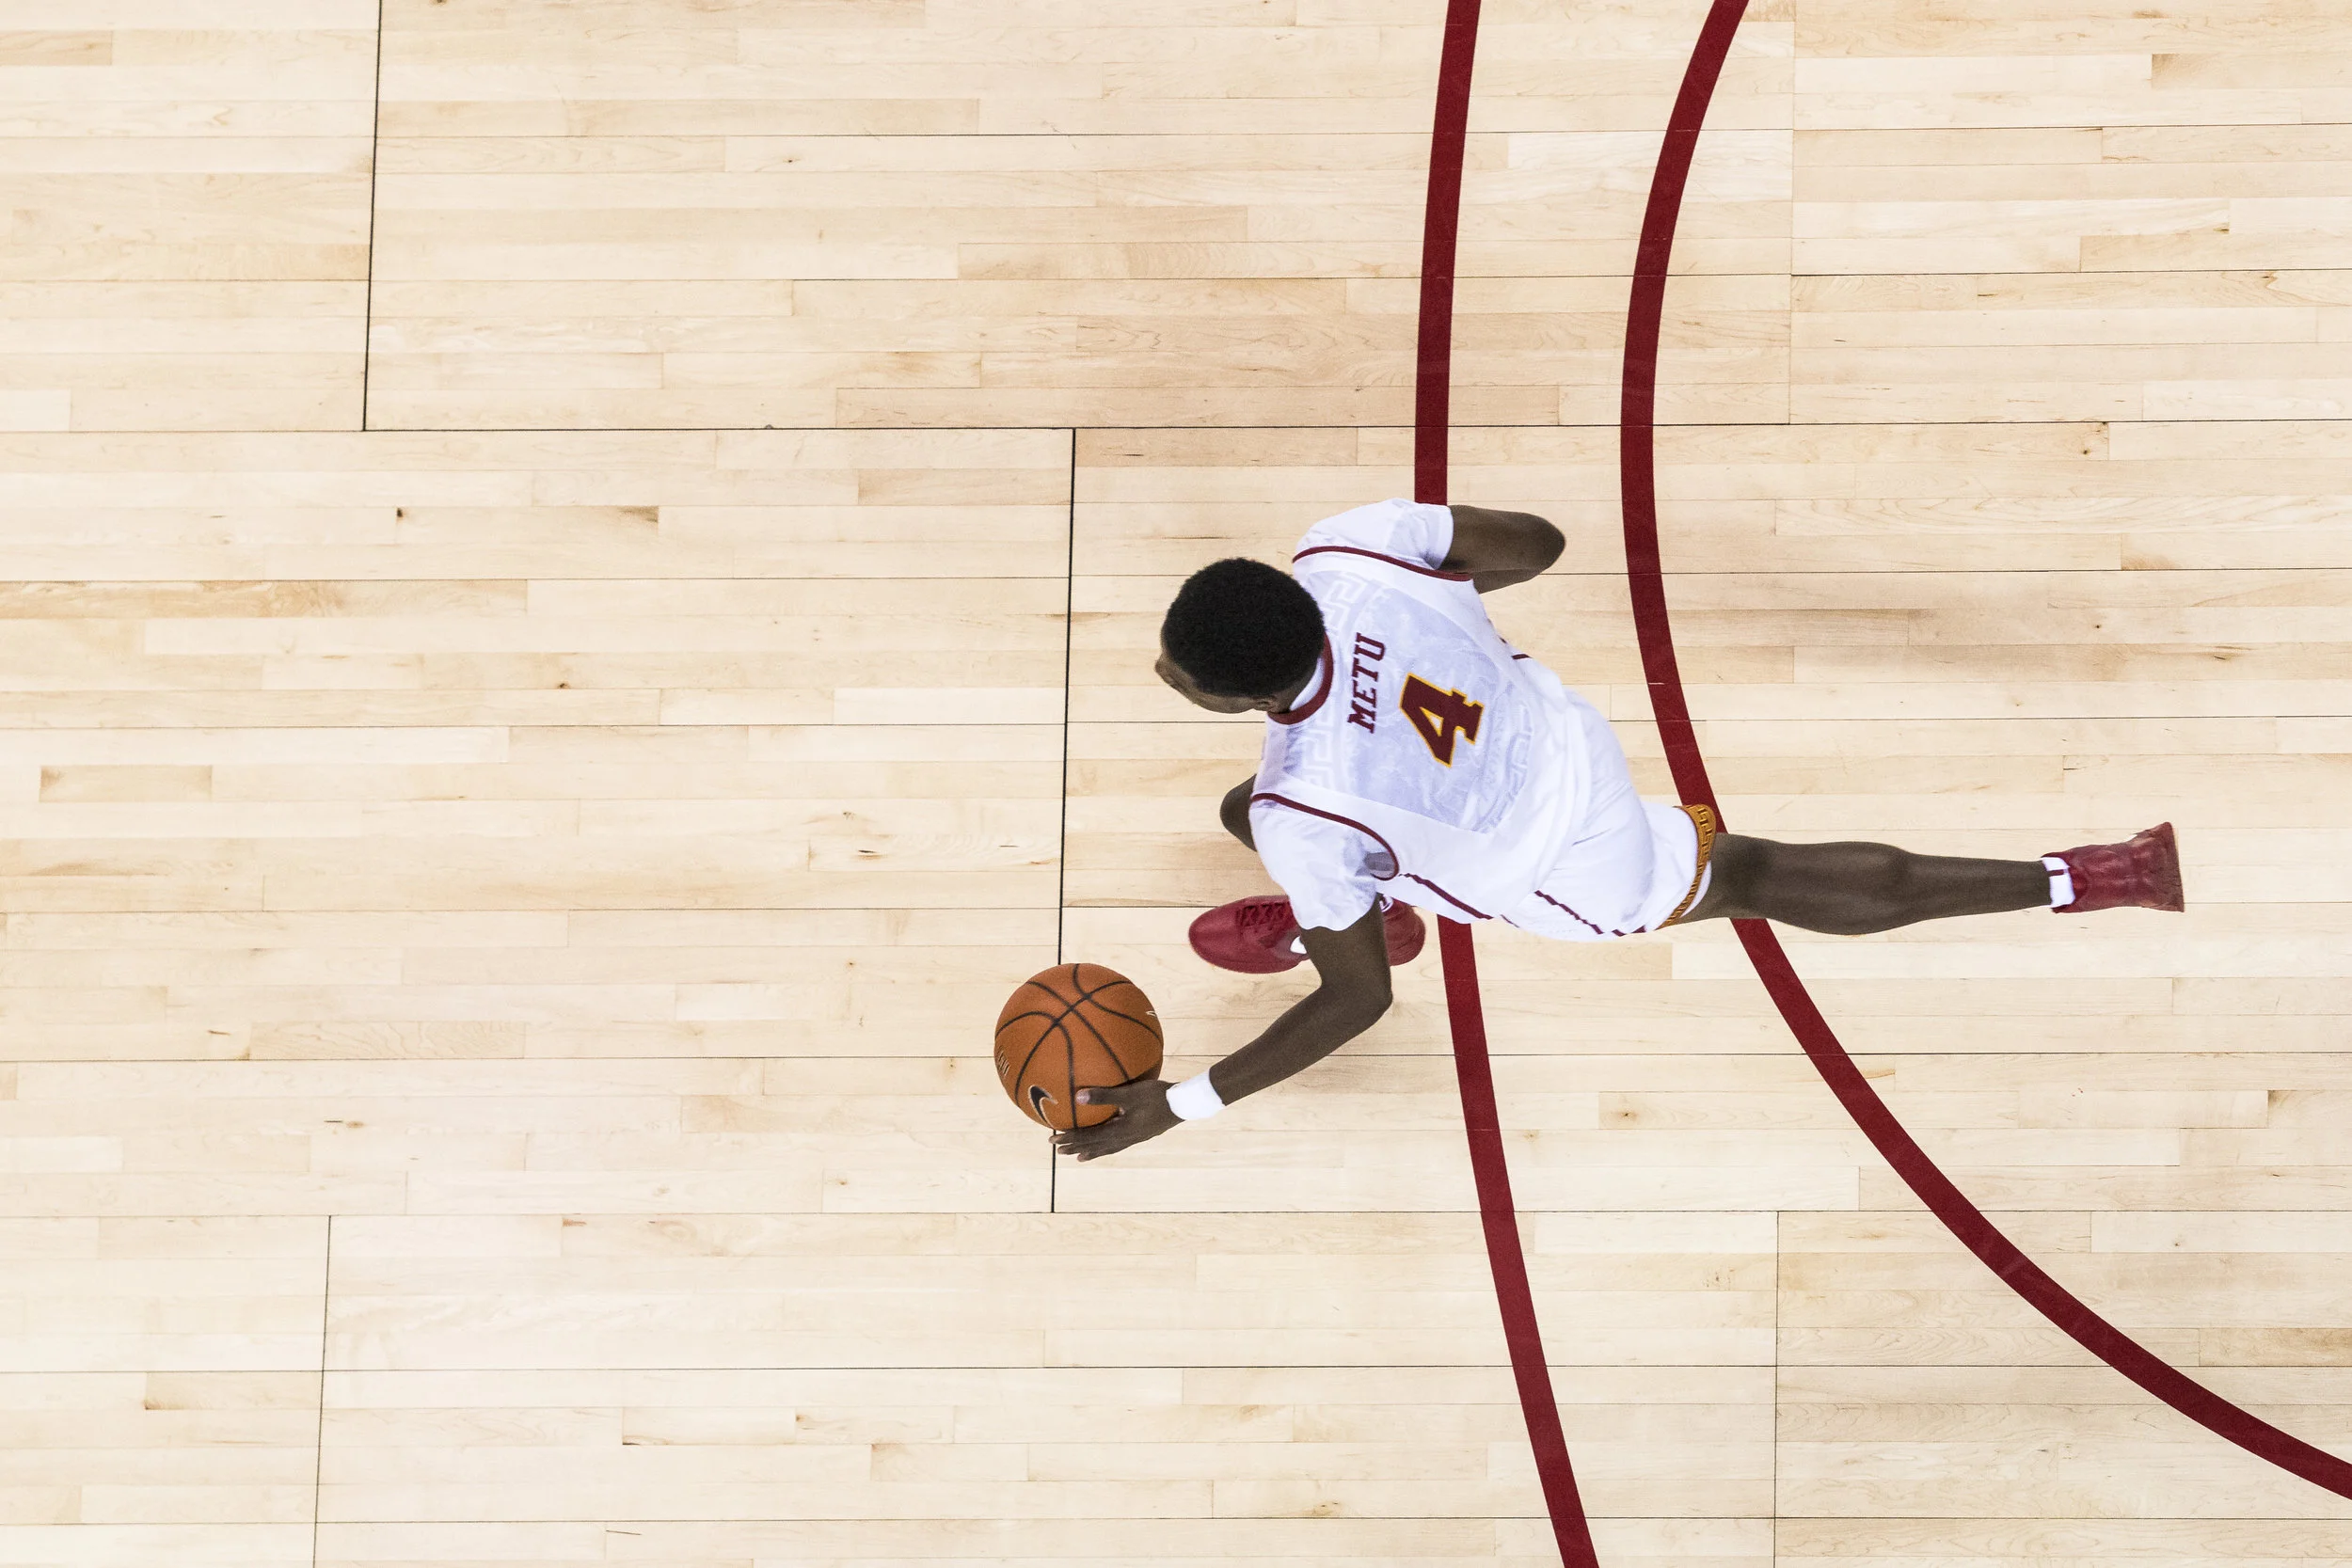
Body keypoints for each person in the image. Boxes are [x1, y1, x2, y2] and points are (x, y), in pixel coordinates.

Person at [1052, 499, 2184, 1163]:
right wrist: (1441, 612)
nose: (1163, 670)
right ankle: (1374, 912)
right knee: (1243, 813)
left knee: (1760, 876)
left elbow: (1358, 1007)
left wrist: (1178, 1104)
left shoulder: (1306, 804)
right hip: (1559, 737)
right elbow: (1537, 543)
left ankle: (2094, 876)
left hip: (1566, 865)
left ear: (1244, 697)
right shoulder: (1347, 552)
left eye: (1177, 674)